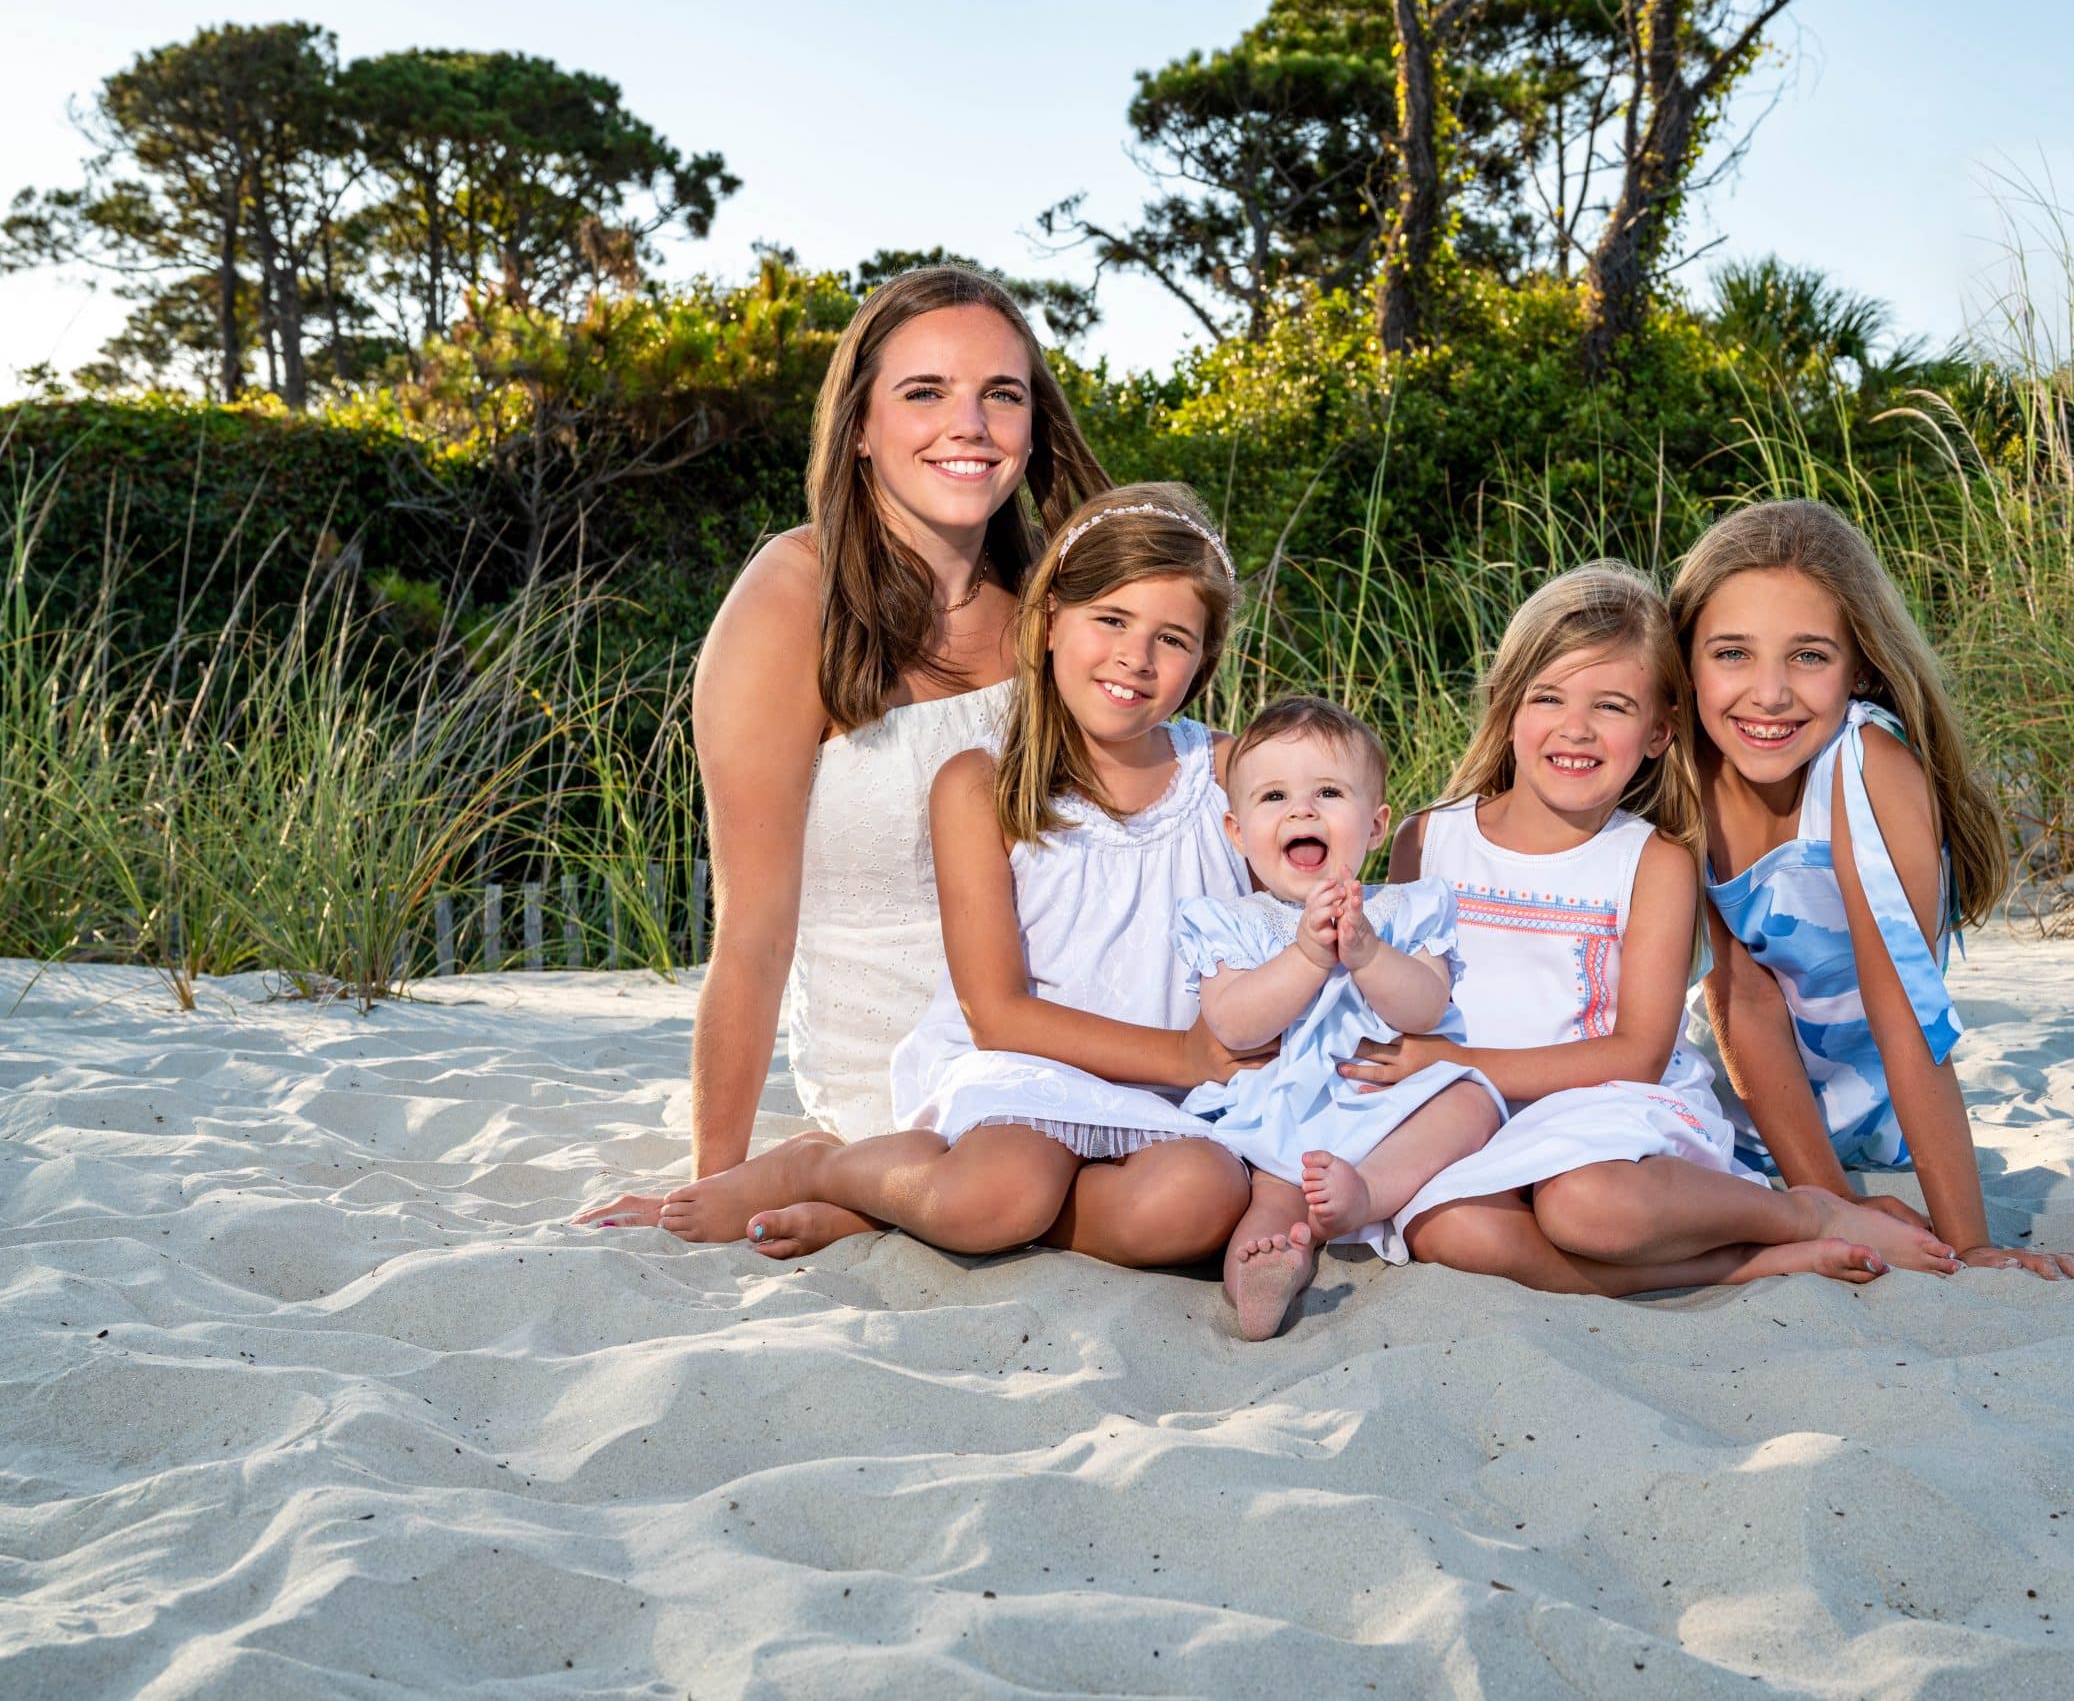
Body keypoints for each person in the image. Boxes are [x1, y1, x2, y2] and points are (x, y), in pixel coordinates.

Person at [576, 264, 1108, 1237]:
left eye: (1002, 392)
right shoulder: (793, 598)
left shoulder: (1061, 598)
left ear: (1033, 423)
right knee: (1015, 1194)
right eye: (925, 392)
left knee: (1177, 1205)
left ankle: (859, 1209)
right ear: (860, 427)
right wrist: (713, 1180)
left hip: (1061, 1032)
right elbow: (755, 924)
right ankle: (830, 1174)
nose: (971, 424)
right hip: (894, 1066)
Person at [648, 485, 1257, 1268]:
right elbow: (996, 1013)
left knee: (1199, 1200)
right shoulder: (982, 786)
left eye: (1173, 638)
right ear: (1044, 627)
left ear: (1203, 661)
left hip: (1168, 1102)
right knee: (998, 1191)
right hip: (1026, 1076)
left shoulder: (1235, 774)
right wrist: (1187, 1053)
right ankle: (821, 1166)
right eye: (1110, 620)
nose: (1135, 658)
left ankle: (888, 1213)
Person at [1342, 565, 1961, 1293]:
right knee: (1444, 1228)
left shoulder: (1653, 860)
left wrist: (1447, 1060)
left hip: (1606, 1107)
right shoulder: (1427, 840)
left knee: (1586, 1207)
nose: (1576, 728)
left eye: (1610, 705)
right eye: (1548, 697)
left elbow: (1636, 1053)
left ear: (1660, 731)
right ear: (1509, 707)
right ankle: (1750, 1264)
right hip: (1461, 1111)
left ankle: (1801, 1215)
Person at [1672, 499, 2074, 1280]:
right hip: (1752, 1103)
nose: (1768, 694)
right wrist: (1834, 1206)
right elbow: (1745, 1001)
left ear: (1859, 664)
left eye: (1808, 656)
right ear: (1688, 659)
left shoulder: (1868, 769)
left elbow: (1905, 1012)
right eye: (1732, 652)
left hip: (1881, 1106)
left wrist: (1970, 1244)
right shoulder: (1689, 773)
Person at [1178, 697, 1503, 1339]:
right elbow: (1236, 1025)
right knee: (1273, 1196)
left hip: (1390, 1106)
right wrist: (1305, 954)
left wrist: (1368, 954)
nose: (1301, 809)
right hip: (1285, 1109)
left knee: (1472, 1101)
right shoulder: (1232, 922)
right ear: (1237, 832)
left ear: (1376, 824)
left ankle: (1367, 1194)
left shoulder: (1407, 910)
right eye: (1273, 796)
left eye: (1328, 791)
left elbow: (1427, 1008)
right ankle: (1267, 1271)